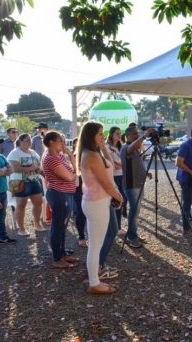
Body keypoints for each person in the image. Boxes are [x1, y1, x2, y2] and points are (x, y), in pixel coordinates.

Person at [78, 120, 124, 295]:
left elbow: (108, 165)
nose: (103, 137)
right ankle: (94, 283)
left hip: (98, 201)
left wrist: (103, 146)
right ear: (91, 136)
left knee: (96, 245)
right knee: (95, 246)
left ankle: (95, 280)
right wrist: (118, 196)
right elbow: (105, 182)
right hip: (97, 203)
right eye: (100, 134)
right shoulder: (90, 155)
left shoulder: (93, 152)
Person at [42, 131, 80, 269]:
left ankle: (62, 253)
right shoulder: (51, 158)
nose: (64, 144)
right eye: (61, 141)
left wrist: (70, 156)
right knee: (57, 228)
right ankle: (57, 259)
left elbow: (74, 171)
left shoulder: (59, 156)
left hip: (65, 194)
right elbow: (70, 177)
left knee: (62, 227)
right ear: (51, 142)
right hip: (58, 194)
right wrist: (74, 174)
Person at [121, 125, 154, 248]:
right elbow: (130, 148)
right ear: (128, 136)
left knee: (136, 211)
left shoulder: (135, 148)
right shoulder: (126, 148)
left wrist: (146, 173)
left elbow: (137, 163)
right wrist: (144, 136)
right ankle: (132, 237)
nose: (137, 135)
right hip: (131, 184)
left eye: (137, 133)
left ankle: (133, 234)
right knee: (134, 211)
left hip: (138, 183)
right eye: (134, 134)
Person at [7, 134, 46, 236]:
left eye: (30, 140)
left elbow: (38, 165)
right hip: (20, 182)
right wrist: (30, 168)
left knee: (38, 203)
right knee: (21, 205)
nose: (29, 142)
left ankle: (37, 224)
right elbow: (14, 168)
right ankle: (21, 229)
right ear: (20, 141)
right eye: (27, 140)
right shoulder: (15, 153)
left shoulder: (33, 152)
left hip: (34, 180)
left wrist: (38, 169)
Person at [107, 127, 126, 234]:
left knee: (121, 201)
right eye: (117, 134)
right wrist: (124, 166)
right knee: (114, 201)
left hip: (122, 176)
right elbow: (113, 165)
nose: (119, 136)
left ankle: (118, 227)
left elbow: (122, 163)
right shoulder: (107, 148)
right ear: (111, 134)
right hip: (113, 177)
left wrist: (122, 166)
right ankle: (112, 227)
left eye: (120, 133)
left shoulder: (121, 147)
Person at [71, 138, 87, 248]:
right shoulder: (73, 155)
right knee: (81, 212)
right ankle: (81, 236)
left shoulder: (91, 154)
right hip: (78, 188)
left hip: (91, 187)